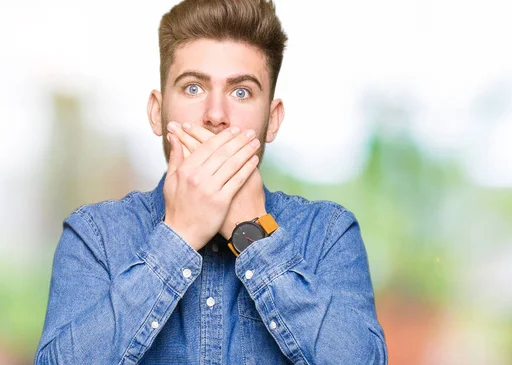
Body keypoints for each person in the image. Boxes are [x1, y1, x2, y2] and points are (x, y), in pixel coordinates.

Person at [35, 0, 388, 364]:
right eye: (192, 88)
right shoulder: (95, 235)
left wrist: (253, 234)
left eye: (241, 92)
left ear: (272, 120)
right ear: (158, 113)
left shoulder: (327, 233)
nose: (216, 116)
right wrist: (178, 237)